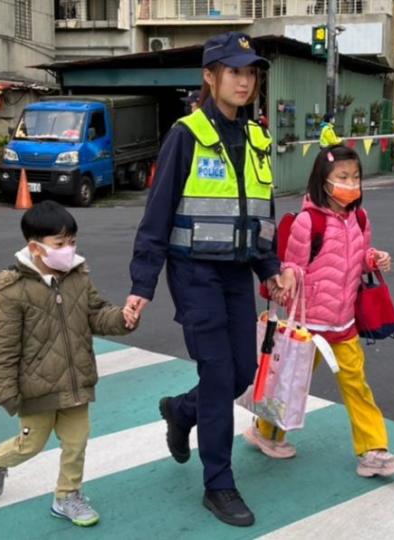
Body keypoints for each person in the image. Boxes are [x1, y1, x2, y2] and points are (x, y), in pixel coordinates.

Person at [124, 31, 295, 528]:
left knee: (241, 373)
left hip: (237, 275)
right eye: (235, 71)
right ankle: (218, 483)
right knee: (220, 376)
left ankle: (181, 411)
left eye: (251, 73)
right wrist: (142, 286)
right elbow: (156, 217)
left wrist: (271, 268)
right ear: (210, 76)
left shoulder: (258, 137)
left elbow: (261, 214)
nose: (245, 81)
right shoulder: (187, 134)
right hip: (194, 272)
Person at [242, 145, 394, 478]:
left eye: (356, 176)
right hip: (308, 325)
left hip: (344, 322)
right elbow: (291, 263)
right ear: (324, 180)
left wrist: (374, 258)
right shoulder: (307, 222)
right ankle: (266, 432)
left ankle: (373, 451)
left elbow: (359, 256)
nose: (351, 183)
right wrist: (287, 276)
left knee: (357, 385)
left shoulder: (360, 218)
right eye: (343, 177)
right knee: (290, 385)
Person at [0, 201, 135, 527]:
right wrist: (5, 391)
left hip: (76, 381)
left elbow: (96, 314)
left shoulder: (78, 278)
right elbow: (2, 348)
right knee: (30, 444)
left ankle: (67, 496)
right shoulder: (13, 292)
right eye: (60, 244)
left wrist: (122, 318)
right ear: (35, 248)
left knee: (77, 441)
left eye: (72, 242)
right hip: (35, 388)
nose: (69, 250)